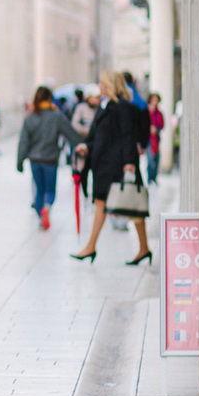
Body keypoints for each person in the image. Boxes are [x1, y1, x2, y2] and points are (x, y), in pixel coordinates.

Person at [72, 71, 151, 265]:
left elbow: (128, 136)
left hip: (118, 165)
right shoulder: (104, 106)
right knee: (106, 205)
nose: (99, 86)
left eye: (102, 83)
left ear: (110, 85)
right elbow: (96, 136)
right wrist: (86, 147)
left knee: (131, 205)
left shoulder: (123, 107)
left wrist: (130, 164)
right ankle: (141, 248)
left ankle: (140, 248)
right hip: (103, 165)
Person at [16, 86, 83, 230]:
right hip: (50, 159)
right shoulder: (56, 116)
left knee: (39, 190)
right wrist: (81, 145)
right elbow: (70, 133)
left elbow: (23, 141)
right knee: (50, 190)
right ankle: (47, 208)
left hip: (35, 160)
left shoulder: (30, 116)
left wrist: (20, 161)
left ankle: (41, 217)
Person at [146, 93, 165, 185]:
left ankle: (154, 177)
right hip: (149, 138)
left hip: (156, 138)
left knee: (157, 158)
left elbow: (162, 125)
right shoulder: (147, 111)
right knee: (150, 158)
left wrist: (156, 129)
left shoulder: (159, 113)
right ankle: (150, 177)